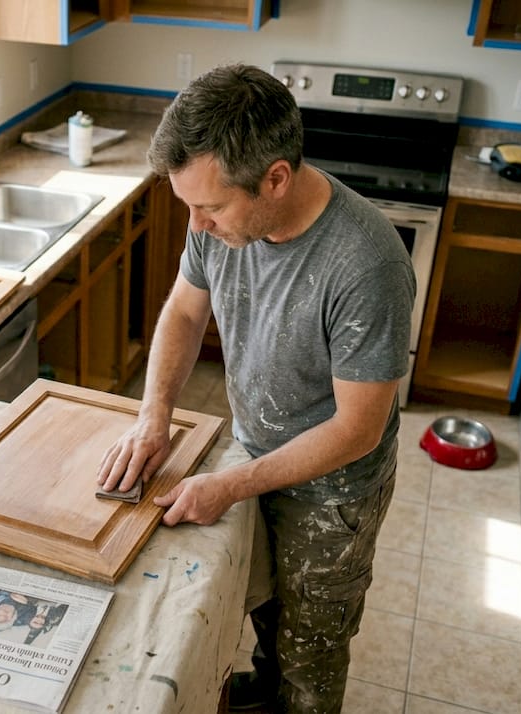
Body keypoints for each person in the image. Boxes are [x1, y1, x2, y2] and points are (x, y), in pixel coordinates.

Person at [96, 63, 412, 713]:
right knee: (263, 609)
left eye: (209, 207)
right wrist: (154, 414)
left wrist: (229, 485)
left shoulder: (366, 262)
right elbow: (185, 311)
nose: (198, 224)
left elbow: (358, 429)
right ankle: (264, 690)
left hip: (333, 490)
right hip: (253, 444)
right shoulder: (211, 213)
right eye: (190, 206)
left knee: (309, 652)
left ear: (275, 179)